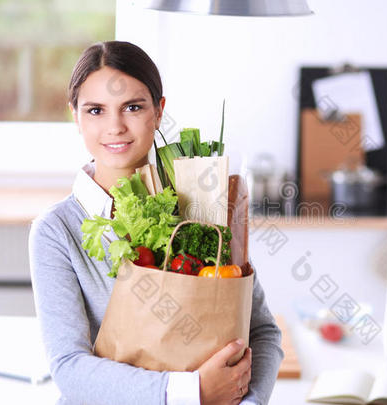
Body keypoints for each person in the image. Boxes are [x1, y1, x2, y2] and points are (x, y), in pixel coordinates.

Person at [28, 40, 283, 405]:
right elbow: (70, 369)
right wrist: (194, 392)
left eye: (133, 107)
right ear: (75, 116)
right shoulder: (56, 231)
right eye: (96, 110)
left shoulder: (201, 204)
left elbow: (262, 332)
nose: (115, 126)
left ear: (159, 112)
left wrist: (247, 401)